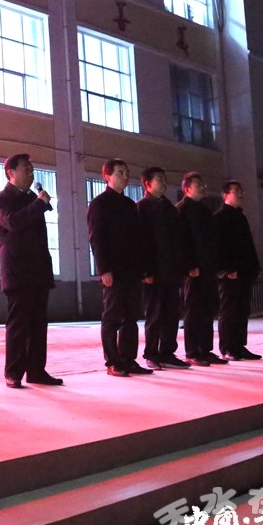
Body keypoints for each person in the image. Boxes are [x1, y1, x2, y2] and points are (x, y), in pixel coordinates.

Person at [0, 153, 62, 388]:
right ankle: (13, 372)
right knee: (19, 326)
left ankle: (36, 371)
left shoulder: (33, 198)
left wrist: (38, 203)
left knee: (39, 325)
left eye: (32, 169)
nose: (31, 173)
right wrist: (39, 204)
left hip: (38, 270)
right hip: (18, 272)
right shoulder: (0, 200)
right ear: (11, 172)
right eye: (26, 169)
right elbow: (13, 222)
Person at [87, 159, 152, 378]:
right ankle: (113, 361)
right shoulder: (99, 204)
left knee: (131, 317)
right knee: (113, 316)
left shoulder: (129, 205)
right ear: (107, 176)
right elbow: (97, 239)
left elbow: (138, 240)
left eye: (126, 172)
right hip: (113, 270)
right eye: (120, 172)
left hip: (131, 269)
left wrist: (143, 269)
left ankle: (128, 359)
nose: (125, 176)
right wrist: (104, 269)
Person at [136, 167, 191, 370]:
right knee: (154, 314)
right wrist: (146, 271)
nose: (164, 182)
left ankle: (168, 352)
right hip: (154, 271)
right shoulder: (142, 208)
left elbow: (179, 241)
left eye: (164, 179)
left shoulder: (169, 208)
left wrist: (181, 268)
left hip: (172, 271)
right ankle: (151, 353)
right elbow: (141, 242)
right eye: (159, 179)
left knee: (171, 314)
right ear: (147, 184)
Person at [176, 172, 227, 366]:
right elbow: (181, 242)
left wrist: (218, 265)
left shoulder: (205, 211)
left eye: (203, 184)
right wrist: (189, 265)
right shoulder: (181, 210)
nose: (202, 187)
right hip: (193, 270)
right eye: (198, 184)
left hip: (208, 268)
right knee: (193, 310)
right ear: (187, 188)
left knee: (208, 309)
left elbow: (213, 241)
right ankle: (192, 351)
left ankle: (206, 349)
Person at [214, 181, 262, 361]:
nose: (240, 194)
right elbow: (218, 247)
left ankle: (239, 346)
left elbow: (247, 246)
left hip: (244, 272)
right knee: (229, 311)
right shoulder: (220, 217)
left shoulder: (240, 216)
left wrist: (254, 267)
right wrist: (227, 268)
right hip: (230, 274)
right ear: (225, 195)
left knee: (242, 310)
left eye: (241, 191)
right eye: (236, 191)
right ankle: (227, 347)